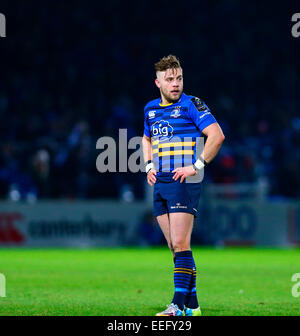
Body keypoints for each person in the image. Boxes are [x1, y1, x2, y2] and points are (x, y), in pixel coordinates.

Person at [142, 55, 225, 316]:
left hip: (184, 180)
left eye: (179, 78)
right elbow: (146, 138)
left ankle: (177, 305)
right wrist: (148, 166)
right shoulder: (150, 109)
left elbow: (217, 135)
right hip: (161, 181)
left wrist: (196, 167)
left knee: (180, 242)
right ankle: (193, 304)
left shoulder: (192, 105)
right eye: (170, 79)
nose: (176, 84)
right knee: (175, 247)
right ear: (158, 82)